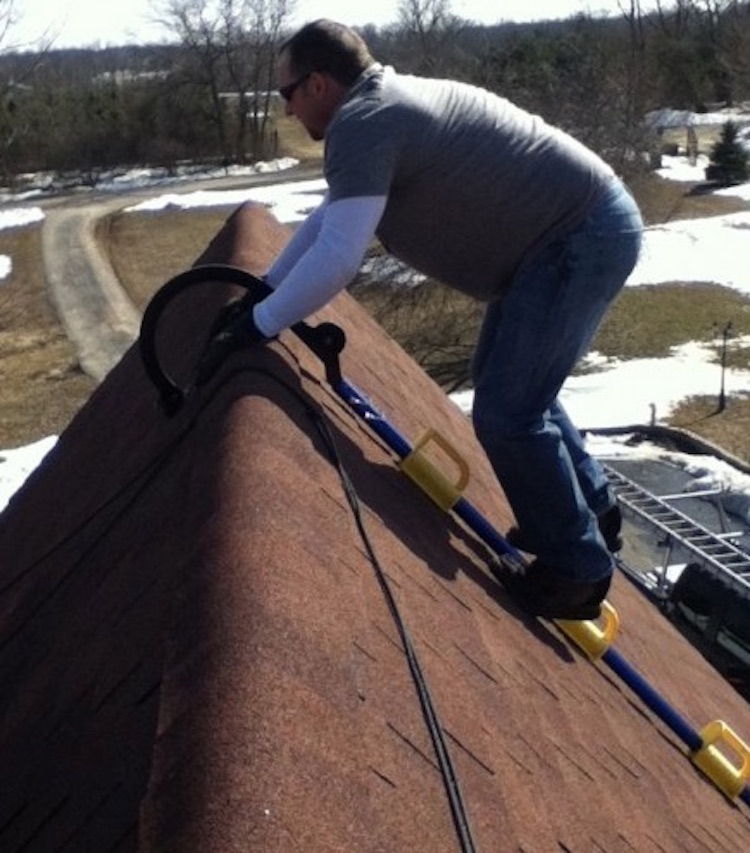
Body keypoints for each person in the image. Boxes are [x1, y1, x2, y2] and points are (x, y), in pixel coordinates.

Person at [204, 18, 643, 620]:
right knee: (510, 387)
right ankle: (590, 511)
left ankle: (577, 571)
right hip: (575, 229)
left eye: (286, 93)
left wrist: (260, 324)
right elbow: (327, 224)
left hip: (577, 234)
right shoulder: (379, 109)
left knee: (508, 412)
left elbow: (338, 257)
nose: (285, 110)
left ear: (320, 84)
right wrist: (262, 296)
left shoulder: (365, 121)